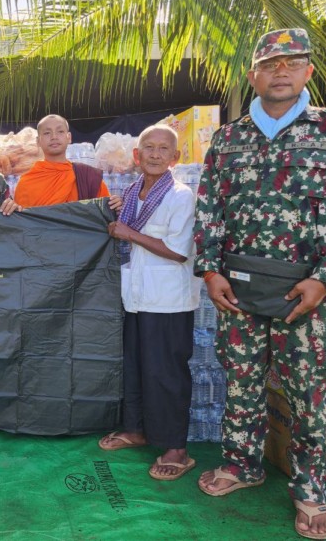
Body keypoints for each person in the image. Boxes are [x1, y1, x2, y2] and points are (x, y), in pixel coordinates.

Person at [194, 28, 326, 540]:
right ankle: (242, 463)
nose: (280, 71)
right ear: (253, 76)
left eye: (292, 62)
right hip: (237, 288)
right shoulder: (228, 138)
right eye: (269, 64)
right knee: (242, 380)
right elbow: (209, 209)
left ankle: (311, 489)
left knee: (309, 391)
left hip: (305, 293)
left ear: (309, 71)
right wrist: (210, 270)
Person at [100, 124, 199, 481]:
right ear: (136, 155)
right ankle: (137, 429)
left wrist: (129, 233)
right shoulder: (131, 193)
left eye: (163, 149)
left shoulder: (180, 196)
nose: (155, 154)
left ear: (175, 157)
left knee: (166, 374)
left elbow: (178, 251)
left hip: (168, 301)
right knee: (136, 366)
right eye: (149, 148)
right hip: (137, 297)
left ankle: (176, 448)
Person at [13, 114, 119, 209]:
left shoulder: (87, 177)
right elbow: (21, 221)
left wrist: (116, 207)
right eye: (47, 133)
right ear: (38, 141)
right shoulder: (26, 183)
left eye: (60, 131)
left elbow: (105, 214)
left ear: (69, 137)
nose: (54, 137)